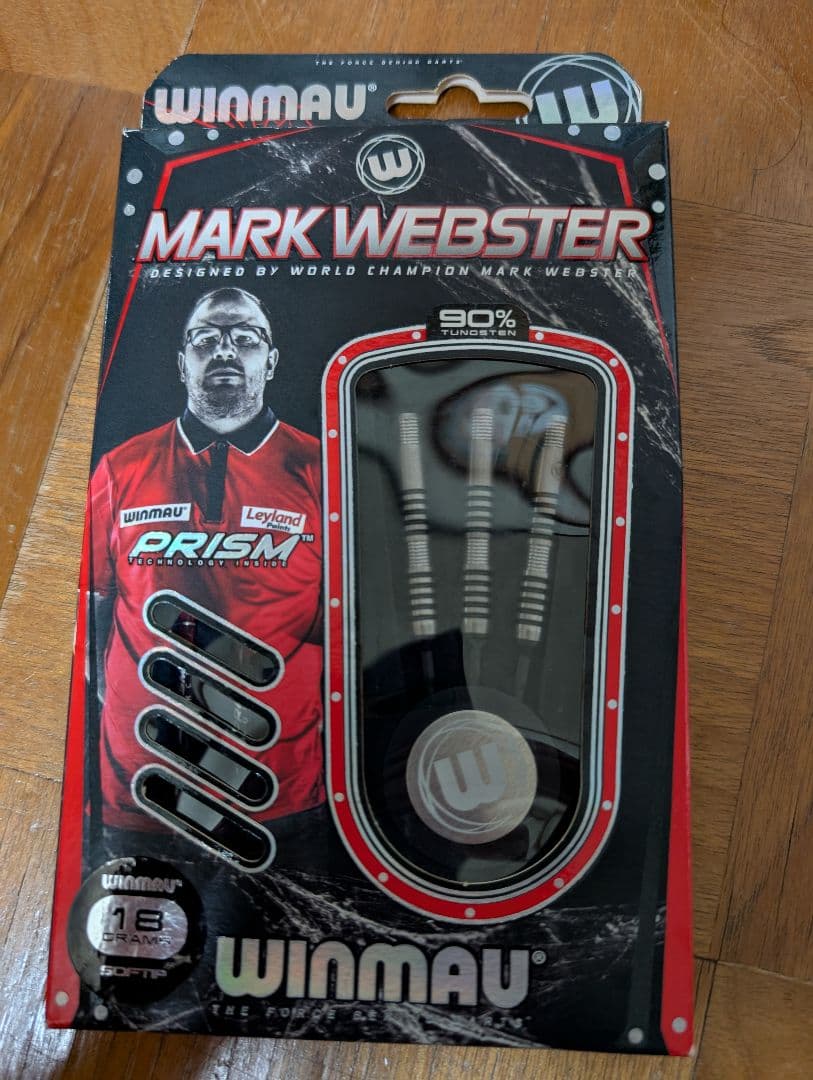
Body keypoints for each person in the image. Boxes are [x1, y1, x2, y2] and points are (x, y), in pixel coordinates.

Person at [90, 287, 325, 857]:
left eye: (244, 338)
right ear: (182, 362)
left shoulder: (323, 470)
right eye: (205, 339)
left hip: (284, 798)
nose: (225, 351)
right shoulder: (120, 469)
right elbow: (92, 610)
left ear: (271, 360)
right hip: (140, 796)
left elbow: (347, 626)